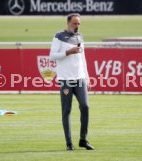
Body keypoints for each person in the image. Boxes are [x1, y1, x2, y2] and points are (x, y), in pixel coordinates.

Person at [49, 13, 94, 151]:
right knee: (66, 111)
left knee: (85, 107)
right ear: (68, 23)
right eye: (75, 23)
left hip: (79, 78)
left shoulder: (80, 37)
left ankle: (83, 140)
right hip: (65, 80)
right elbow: (52, 56)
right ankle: (69, 143)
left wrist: (87, 77)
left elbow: (83, 58)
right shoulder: (59, 36)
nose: (77, 26)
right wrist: (68, 52)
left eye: (79, 23)